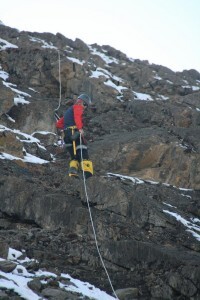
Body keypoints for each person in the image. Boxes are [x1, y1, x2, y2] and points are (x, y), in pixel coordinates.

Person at [56, 94, 93, 178]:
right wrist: (79, 128)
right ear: (82, 102)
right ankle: (87, 172)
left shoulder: (68, 111)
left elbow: (59, 124)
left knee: (74, 155)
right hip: (74, 133)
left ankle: (73, 173)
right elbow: (77, 118)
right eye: (85, 105)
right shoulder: (77, 107)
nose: (85, 107)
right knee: (82, 149)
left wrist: (67, 128)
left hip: (67, 136)